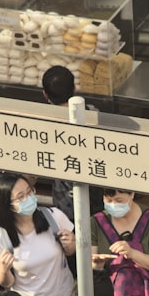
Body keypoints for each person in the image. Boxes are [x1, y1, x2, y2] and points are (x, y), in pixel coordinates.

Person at [0, 173, 78, 296]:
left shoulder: (54, 217)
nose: (28, 199)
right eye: (20, 197)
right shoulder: (1, 238)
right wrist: (4, 270)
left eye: (29, 192)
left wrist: (72, 243)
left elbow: (71, 253)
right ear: (7, 204)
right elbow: (5, 282)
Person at [41, 66, 103, 219]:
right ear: (75, 89)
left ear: (45, 94)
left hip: (64, 202)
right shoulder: (93, 114)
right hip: (96, 191)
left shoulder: (43, 124)